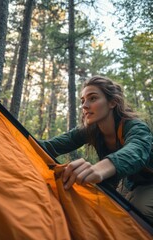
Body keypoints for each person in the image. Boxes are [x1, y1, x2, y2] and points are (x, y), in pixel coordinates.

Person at [39, 75, 153, 225]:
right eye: (83, 101)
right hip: (127, 182)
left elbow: (137, 150)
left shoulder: (135, 127)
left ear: (113, 102)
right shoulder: (89, 130)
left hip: (149, 182)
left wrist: (99, 169)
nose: (85, 105)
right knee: (105, 211)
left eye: (92, 98)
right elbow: (50, 146)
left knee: (138, 216)